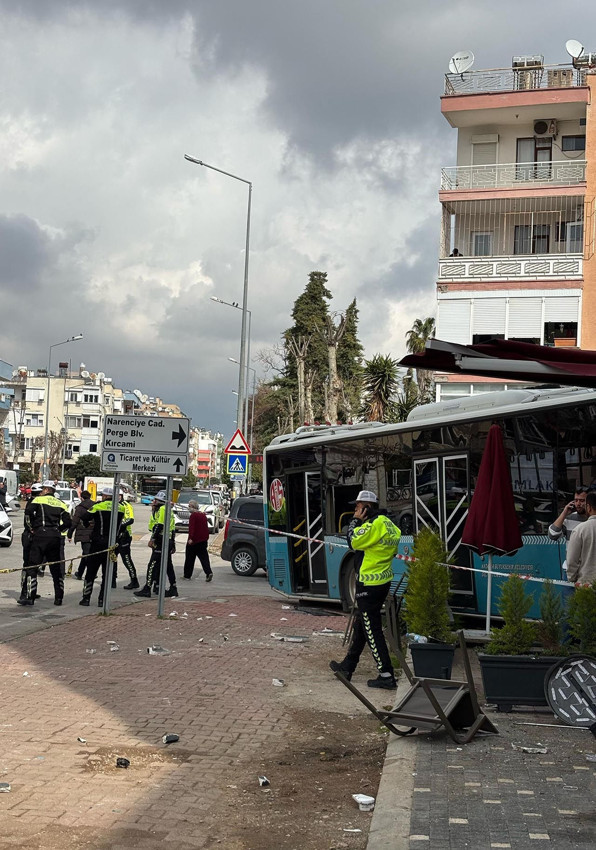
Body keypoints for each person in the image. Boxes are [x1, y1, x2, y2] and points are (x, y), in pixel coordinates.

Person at [329, 490, 401, 689]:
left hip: (368, 584)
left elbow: (352, 540)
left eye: (358, 506)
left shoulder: (372, 525)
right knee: (362, 624)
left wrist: (354, 521)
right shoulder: (390, 525)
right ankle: (348, 666)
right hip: (382, 581)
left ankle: (386, 674)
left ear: (367, 508)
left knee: (372, 630)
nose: (355, 510)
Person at [21, 480, 71, 606]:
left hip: (39, 536)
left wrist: (31, 529)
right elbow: (68, 523)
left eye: (43, 489)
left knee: (32, 567)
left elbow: (27, 516)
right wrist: (58, 530)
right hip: (54, 537)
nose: (41, 491)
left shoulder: (38, 500)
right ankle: (59, 598)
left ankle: (30, 597)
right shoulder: (61, 503)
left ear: (47, 490)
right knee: (56, 569)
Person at [79, 487, 127, 607]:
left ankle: (86, 598)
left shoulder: (98, 506)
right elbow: (123, 526)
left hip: (97, 543)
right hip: (112, 544)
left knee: (91, 572)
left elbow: (84, 517)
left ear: (105, 496)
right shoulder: (121, 507)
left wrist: (88, 524)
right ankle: (102, 600)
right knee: (107, 573)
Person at [134, 491, 178, 598]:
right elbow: (172, 529)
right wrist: (173, 544)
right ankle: (172, 587)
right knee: (167, 565)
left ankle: (147, 588)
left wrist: (152, 539)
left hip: (161, 540)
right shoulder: (167, 510)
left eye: (156, 500)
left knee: (152, 564)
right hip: (167, 540)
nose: (154, 502)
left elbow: (160, 526)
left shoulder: (163, 509)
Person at [18, 483, 43, 606]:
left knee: (33, 566)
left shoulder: (33, 502)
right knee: (29, 566)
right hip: (30, 536)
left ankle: (31, 591)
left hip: (30, 535)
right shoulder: (34, 503)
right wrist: (32, 529)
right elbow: (28, 520)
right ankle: (25, 593)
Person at [565, 490, 596, 584]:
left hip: (586, 583)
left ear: (588, 507)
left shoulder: (580, 530)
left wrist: (572, 578)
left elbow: (571, 561)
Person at [68, 490, 95, 580]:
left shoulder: (80, 508)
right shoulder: (95, 506)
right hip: (94, 533)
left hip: (83, 533)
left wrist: (70, 533)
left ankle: (91, 573)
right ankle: (80, 572)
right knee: (87, 554)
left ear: (82, 498)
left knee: (87, 554)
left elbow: (75, 521)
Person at [183, 500, 213, 581]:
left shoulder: (193, 516)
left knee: (189, 559)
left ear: (193, 507)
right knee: (204, 558)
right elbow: (205, 528)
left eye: (189, 506)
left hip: (194, 541)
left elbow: (192, 528)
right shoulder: (203, 515)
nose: (188, 508)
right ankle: (208, 572)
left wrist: (191, 538)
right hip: (203, 540)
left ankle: (187, 575)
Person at [116, 491, 139, 589]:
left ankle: (134, 580)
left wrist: (120, 525)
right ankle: (112, 580)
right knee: (112, 558)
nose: (117, 497)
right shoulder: (114, 504)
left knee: (126, 559)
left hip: (125, 536)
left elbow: (131, 519)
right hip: (115, 535)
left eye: (119, 496)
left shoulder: (126, 505)